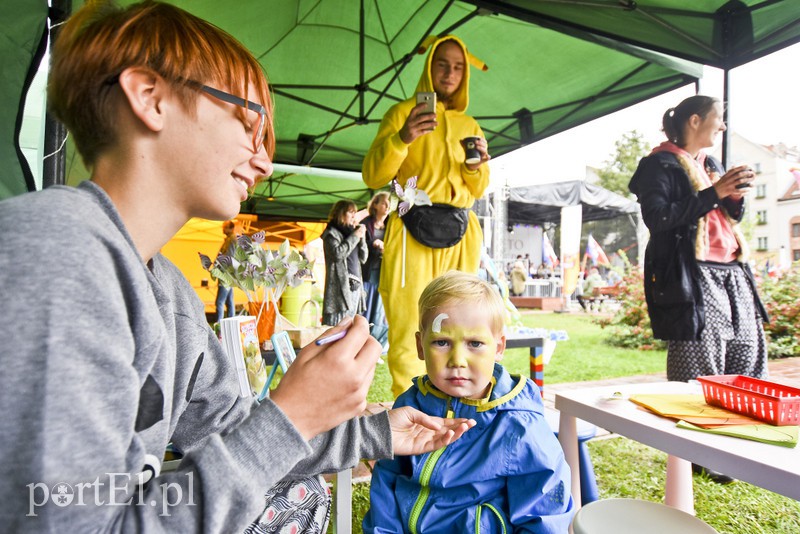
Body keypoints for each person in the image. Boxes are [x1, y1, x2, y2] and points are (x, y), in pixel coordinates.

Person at [0, 2, 476, 530]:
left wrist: (376, 433)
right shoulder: (57, 254)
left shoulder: (169, 291)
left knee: (300, 496)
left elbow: (239, 429)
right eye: (249, 122)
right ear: (150, 97)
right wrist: (293, 411)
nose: (264, 160)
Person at [362, 271, 574, 533]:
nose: (457, 360)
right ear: (420, 346)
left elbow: (544, 512)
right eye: (441, 342)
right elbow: (387, 478)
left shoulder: (519, 423)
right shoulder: (411, 405)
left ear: (498, 348)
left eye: (475, 343)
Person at [629, 95, 769, 483]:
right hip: (691, 271)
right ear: (695, 120)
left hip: (732, 267)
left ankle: (737, 442)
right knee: (701, 357)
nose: (722, 126)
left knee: (747, 349)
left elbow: (727, 214)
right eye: (718, 119)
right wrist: (715, 192)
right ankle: (698, 452)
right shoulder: (657, 164)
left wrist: (733, 195)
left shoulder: (712, 165)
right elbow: (659, 219)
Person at [362, 35, 491, 397]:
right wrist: (402, 138)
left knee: (462, 323)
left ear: (465, 74)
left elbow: (478, 188)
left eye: (458, 67)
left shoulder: (471, 125)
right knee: (409, 326)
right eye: (442, 64)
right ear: (428, 66)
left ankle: (459, 406)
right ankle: (413, 412)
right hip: (411, 228)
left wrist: (478, 164)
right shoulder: (402, 113)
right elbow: (373, 175)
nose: (450, 73)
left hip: (462, 231)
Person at [321, 200, 368, 326]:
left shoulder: (353, 232)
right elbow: (338, 254)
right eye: (350, 212)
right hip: (341, 287)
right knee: (338, 325)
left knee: (350, 326)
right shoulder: (331, 233)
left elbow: (363, 258)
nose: (354, 216)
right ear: (340, 213)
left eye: (355, 213)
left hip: (357, 285)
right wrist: (355, 236)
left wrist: (361, 237)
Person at [361, 192, 390, 341]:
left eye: (389, 203)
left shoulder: (392, 225)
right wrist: (374, 245)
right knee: (367, 306)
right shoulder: (366, 224)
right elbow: (360, 247)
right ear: (375, 205)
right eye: (384, 203)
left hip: (386, 272)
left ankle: (377, 341)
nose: (387, 206)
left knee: (381, 309)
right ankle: (363, 338)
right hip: (369, 272)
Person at [215, 220, 239, 324]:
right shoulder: (230, 239)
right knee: (229, 302)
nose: (222, 229)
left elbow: (228, 257)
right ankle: (231, 323)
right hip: (229, 275)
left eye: (224, 227)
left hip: (226, 274)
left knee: (219, 302)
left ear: (230, 228)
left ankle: (219, 325)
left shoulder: (232, 239)